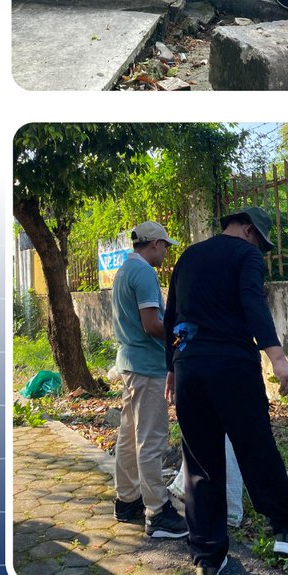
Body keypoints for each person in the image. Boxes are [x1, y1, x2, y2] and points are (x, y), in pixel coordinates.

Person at [164, 207, 288, 575]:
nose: (260, 247)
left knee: (199, 463)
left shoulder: (189, 256)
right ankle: (285, 529)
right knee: (255, 445)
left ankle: (208, 561)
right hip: (231, 366)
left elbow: (171, 314)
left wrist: (172, 368)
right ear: (247, 230)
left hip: (190, 365)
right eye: (259, 239)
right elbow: (252, 302)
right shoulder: (246, 254)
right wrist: (277, 356)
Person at [111, 221, 188, 539]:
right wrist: (181, 339)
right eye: (165, 246)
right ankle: (157, 513)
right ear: (154, 243)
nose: (166, 252)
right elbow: (151, 324)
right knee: (151, 439)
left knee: (129, 436)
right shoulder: (143, 272)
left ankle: (127, 500)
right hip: (147, 367)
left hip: (130, 364)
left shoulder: (125, 270)